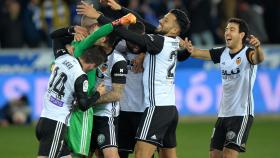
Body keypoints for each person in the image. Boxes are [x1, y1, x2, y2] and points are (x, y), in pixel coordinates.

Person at [76, 1, 191, 158]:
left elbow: (127, 34)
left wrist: (99, 16)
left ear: (175, 29)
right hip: (170, 108)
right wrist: (121, 10)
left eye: (166, 20)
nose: (160, 20)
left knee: (141, 154)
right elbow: (141, 23)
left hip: (156, 108)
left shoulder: (159, 41)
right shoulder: (173, 42)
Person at [181, 18, 265, 158]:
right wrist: (190, 49)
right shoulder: (223, 53)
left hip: (241, 113)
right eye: (226, 29)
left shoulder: (248, 53)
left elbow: (258, 59)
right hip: (223, 114)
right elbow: (199, 53)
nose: (227, 32)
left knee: (229, 155)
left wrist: (258, 48)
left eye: (232, 29)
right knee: (214, 155)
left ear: (241, 35)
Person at [35, 24, 108, 158]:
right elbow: (84, 105)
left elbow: (55, 37)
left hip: (44, 120)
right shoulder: (81, 77)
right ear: (93, 65)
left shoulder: (63, 57)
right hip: (56, 125)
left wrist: (72, 30)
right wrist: (98, 93)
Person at [115, 22, 147, 158]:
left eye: (137, 41)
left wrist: (144, 53)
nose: (134, 45)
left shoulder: (153, 49)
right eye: (130, 41)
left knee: (145, 154)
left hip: (145, 112)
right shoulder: (117, 47)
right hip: (122, 111)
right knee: (120, 153)